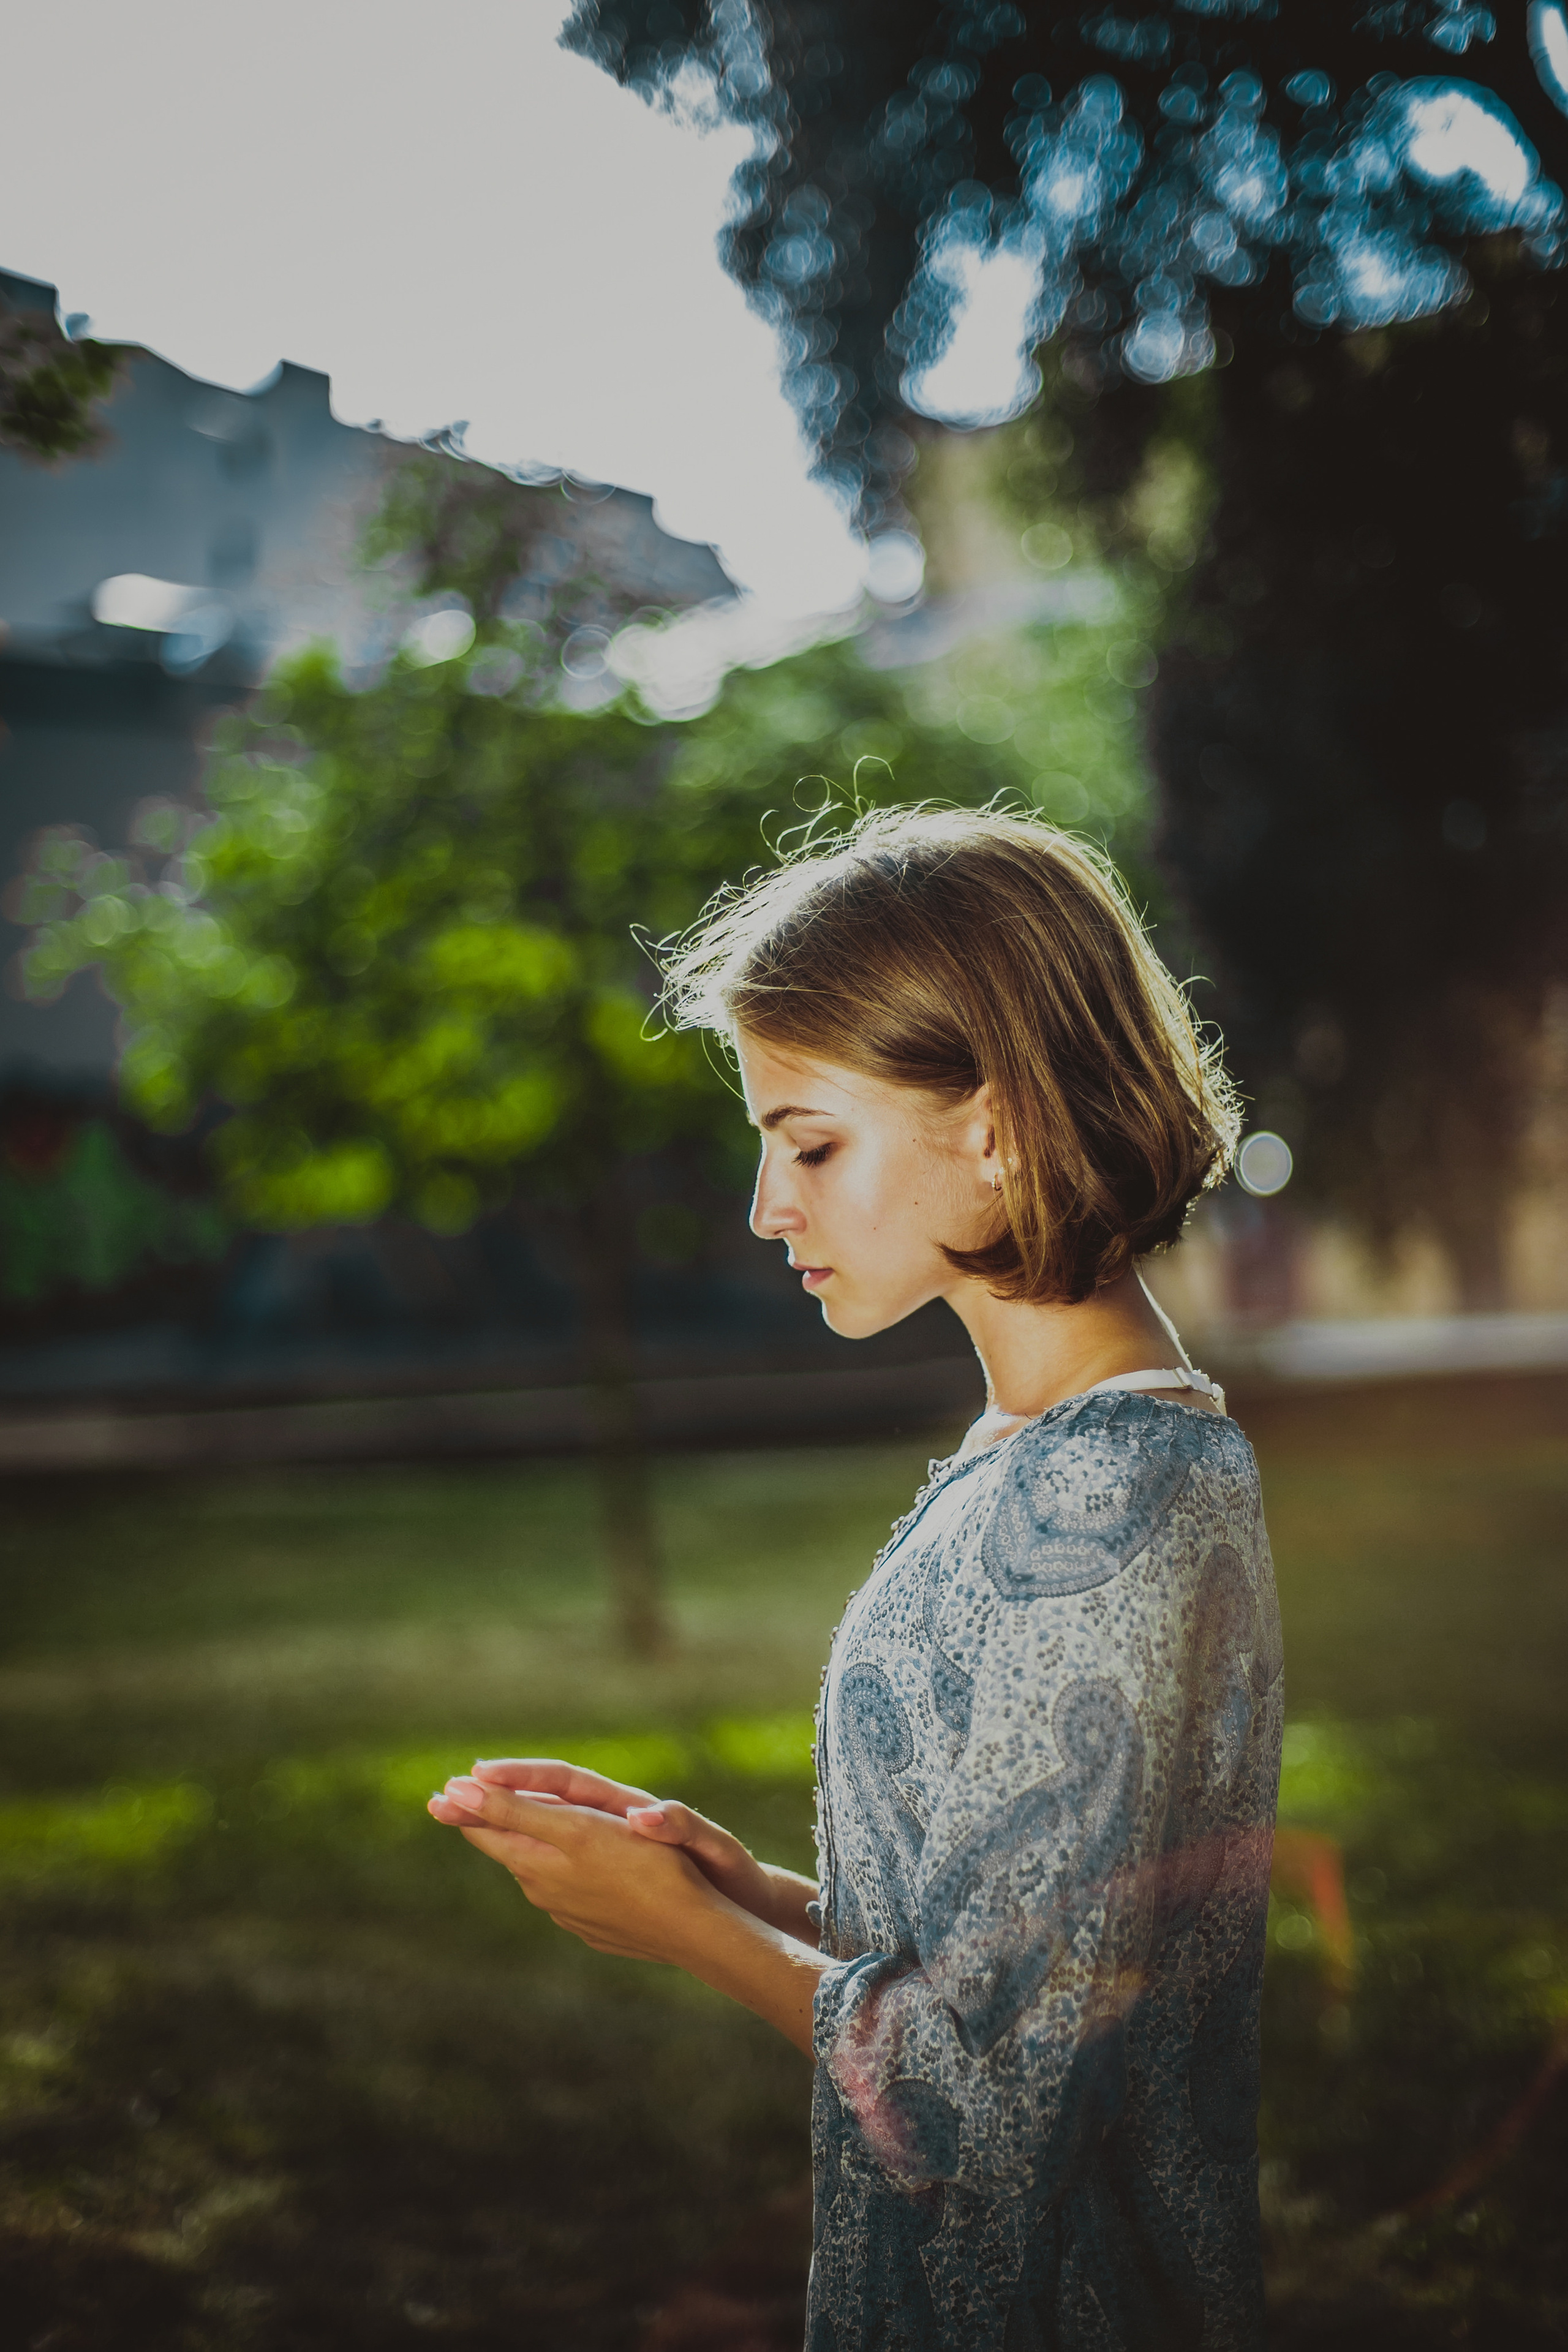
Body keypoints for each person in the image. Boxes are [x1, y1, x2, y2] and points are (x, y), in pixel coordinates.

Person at [428, 807, 1283, 2350]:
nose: (767, 1207)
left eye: (809, 1143)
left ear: (1000, 1121)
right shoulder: (1036, 1450)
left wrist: (697, 1943)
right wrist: (753, 1896)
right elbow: (1034, 1956)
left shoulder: (1103, 1501)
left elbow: (1000, 2115)